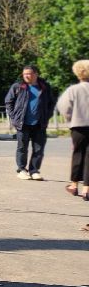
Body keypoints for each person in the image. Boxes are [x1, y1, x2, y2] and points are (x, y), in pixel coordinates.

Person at [5, 64, 57, 180]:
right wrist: (14, 117)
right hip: (22, 123)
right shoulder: (18, 86)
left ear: (35, 74)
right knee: (22, 148)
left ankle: (34, 171)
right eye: (24, 74)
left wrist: (47, 116)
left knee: (38, 149)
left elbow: (51, 103)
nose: (26, 76)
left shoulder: (44, 86)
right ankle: (22, 170)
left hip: (40, 123)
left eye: (29, 74)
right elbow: (8, 102)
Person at [55, 59, 89, 199]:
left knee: (78, 154)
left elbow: (63, 107)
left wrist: (70, 118)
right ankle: (87, 189)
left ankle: (74, 185)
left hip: (78, 126)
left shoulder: (73, 90)